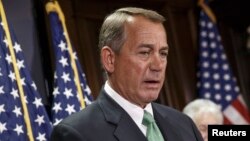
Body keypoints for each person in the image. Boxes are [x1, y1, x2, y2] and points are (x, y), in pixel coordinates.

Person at [50, 7, 203, 141]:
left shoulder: (185, 124)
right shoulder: (76, 134)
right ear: (110, 59)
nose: (158, 65)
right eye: (144, 52)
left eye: (163, 53)